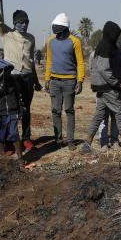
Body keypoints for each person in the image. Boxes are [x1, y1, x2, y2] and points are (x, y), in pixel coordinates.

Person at [0, 0, 41, 150]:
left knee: (26, 109)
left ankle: (26, 138)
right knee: (11, 111)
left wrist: (36, 80)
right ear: (14, 23)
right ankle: (8, 141)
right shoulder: (7, 34)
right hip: (11, 77)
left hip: (27, 77)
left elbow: (31, 61)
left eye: (26, 21)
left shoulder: (31, 38)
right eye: (20, 21)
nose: (24, 24)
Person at [81, 21, 121, 153]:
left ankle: (87, 144)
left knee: (99, 115)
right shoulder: (107, 48)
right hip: (108, 87)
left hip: (101, 88)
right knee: (120, 112)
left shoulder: (103, 47)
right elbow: (103, 69)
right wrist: (117, 83)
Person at [45, 13, 85, 148]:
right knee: (55, 110)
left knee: (69, 110)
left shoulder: (75, 41)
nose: (57, 33)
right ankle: (57, 140)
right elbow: (49, 61)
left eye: (58, 30)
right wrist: (47, 79)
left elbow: (80, 62)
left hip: (69, 81)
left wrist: (80, 81)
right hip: (54, 81)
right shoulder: (50, 41)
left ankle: (70, 141)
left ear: (65, 28)